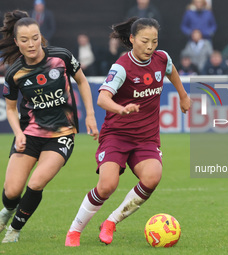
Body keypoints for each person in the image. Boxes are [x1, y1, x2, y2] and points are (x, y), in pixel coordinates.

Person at [64, 17, 191, 247]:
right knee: (107, 185)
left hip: (146, 138)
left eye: (154, 41)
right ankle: (74, 230)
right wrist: (120, 109)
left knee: (152, 177)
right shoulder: (122, 67)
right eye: (145, 41)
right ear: (132, 39)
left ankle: (111, 222)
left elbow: (171, 72)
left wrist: (183, 95)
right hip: (117, 135)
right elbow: (102, 98)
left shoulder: (162, 59)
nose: (150, 46)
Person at [0, 10, 98, 243]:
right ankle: (8, 210)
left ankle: (13, 230)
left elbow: (82, 81)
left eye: (35, 37)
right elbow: (11, 109)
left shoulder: (61, 57)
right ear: (17, 42)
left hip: (61, 134)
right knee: (12, 192)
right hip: (29, 134)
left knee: (36, 182)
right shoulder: (14, 73)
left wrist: (90, 115)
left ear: (40, 36)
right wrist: (17, 133)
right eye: (24, 40)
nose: (31, 44)